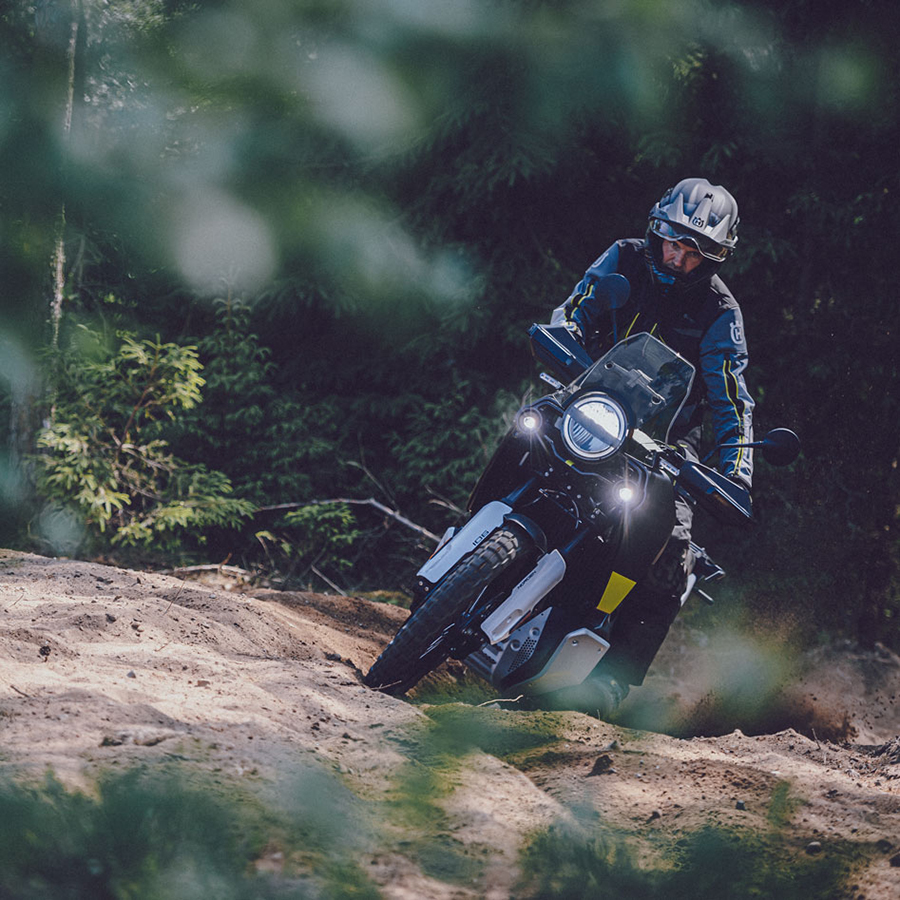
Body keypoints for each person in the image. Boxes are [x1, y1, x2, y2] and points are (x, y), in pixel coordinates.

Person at [549, 177, 755, 716]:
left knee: (673, 548)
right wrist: (563, 338)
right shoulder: (624, 257)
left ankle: (611, 682)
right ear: (656, 230)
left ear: (714, 258)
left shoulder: (720, 312)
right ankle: (460, 559)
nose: (677, 257)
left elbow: (731, 396)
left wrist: (737, 471)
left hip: (663, 442)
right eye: (672, 241)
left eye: (694, 251)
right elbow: (577, 307)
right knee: (527, 433)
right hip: (587, 397)